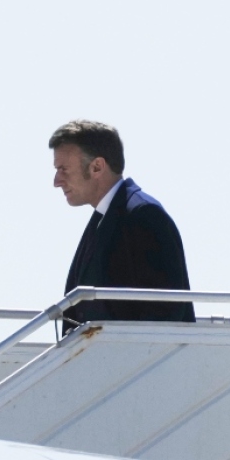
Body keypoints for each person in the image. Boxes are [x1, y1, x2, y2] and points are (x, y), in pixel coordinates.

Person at [49, 119, 195, 327]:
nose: (56, 181)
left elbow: (165, 311)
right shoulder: (104, 219)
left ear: (97, 167)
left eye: (64, 169)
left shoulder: (143, 216)